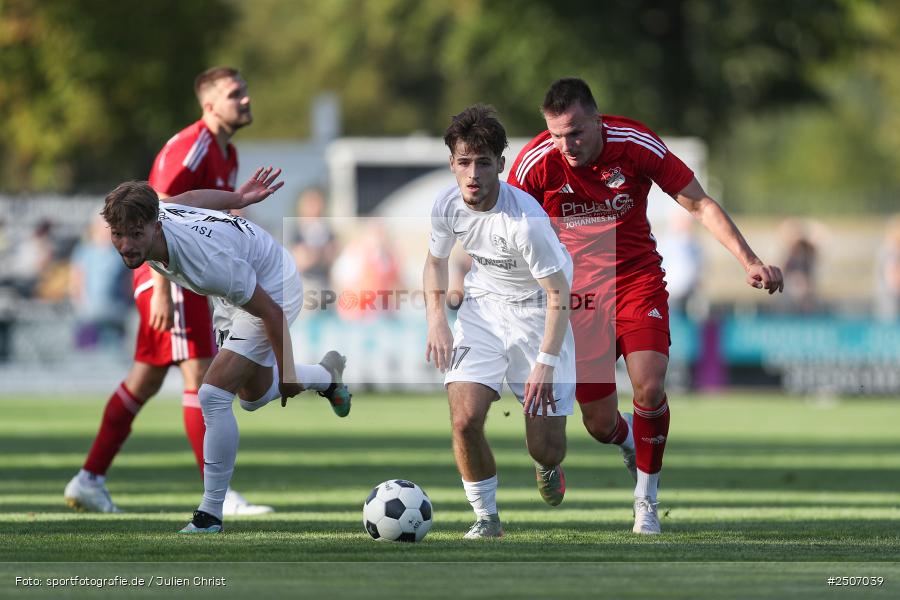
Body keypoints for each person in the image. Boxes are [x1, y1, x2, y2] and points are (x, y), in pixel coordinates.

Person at [507, 78, 783, 534]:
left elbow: (699, 204)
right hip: (575, 299)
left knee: (649, 387)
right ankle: (629, 442)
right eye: (556, 135)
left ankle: (646, 502)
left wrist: (749, 260)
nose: (566, 145)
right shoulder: (536, 163)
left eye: (575, 132)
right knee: (599, 424)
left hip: (636, 281)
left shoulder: (634, 143)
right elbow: (509, 232)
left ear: (597, 120)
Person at [64, 67, 271, 515]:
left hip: (183, 275)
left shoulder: (227, 152)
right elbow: (153, 213)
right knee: (202, 376)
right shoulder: (191, 147)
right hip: (169, 277)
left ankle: (89, 479)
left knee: (145, 380)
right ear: (209, 104)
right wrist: (160, 286)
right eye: (235, 93)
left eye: (245, 91)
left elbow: (209, 217)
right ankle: (219, 497)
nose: (246, 99)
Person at [101, 168, 352, 533]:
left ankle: (210, 514)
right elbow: (190, 199)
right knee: (251, 398)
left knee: (213, 394)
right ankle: (326, 376)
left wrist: (288, 374)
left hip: (273, 285)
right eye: (118, 234)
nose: (126, 245)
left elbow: (271, 312)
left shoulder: (207, 264)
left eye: (135, 235)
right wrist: (237, 198)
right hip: (236, 284)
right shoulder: (154, 215)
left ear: (155, 227)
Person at [424, 105, 576, 538]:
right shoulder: (446, 204)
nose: (473, 174)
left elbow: (559, 294)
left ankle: (547, 466)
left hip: (539, 314)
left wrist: (546, 361)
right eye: (464, 162)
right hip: (483, 310)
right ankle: (487, 518)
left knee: (546, 447)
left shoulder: (526, 222)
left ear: (501, 165)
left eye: (484, 163)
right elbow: (434, 262)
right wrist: (437, 320)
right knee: (464, 419)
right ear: (452, 163)